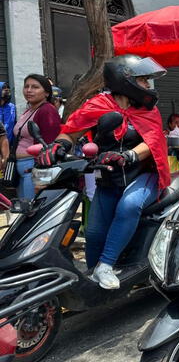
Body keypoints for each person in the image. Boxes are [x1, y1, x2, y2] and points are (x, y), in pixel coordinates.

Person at [36, 55, 170, 289]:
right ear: (124, 80)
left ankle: (106, 266)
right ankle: (92, 278)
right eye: (143, 80)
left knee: (129, 206)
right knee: (94, 232)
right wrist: (58, 146)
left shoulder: (149, 110)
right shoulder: (99, 104)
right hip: (109, 175)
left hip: (144, 173)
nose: (148, 86)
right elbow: (71, 130)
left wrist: (129, 155)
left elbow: (153, 141)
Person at [14, 74, 61, 199]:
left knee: (31, 210)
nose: (29, 90)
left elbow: (49, 145)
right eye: (26, 86)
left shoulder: (47, 110)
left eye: (35, 87)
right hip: (22, 169)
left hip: (34, 169)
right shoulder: (29, 110)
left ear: (46, 93)